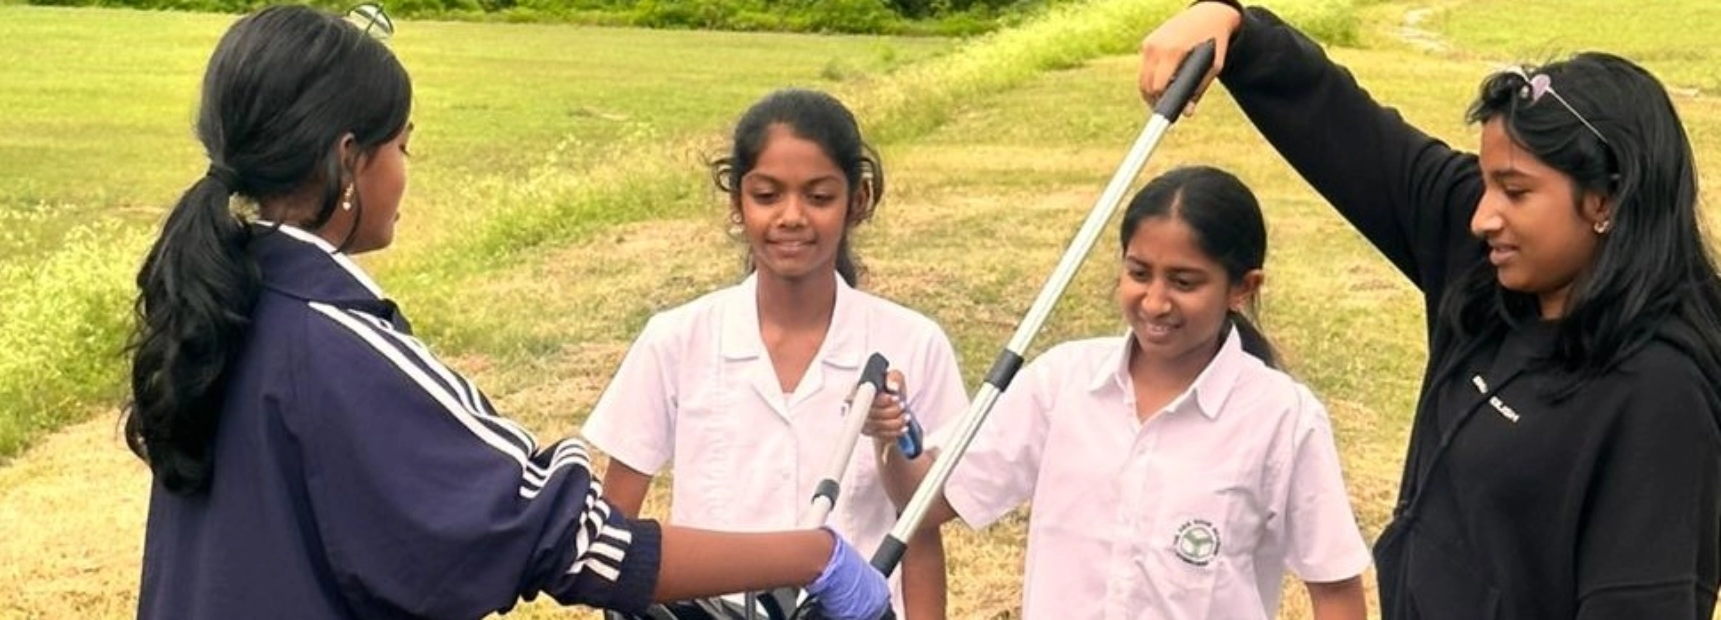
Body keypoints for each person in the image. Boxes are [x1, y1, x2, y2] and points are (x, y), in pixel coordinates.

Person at [123, 6, 890, 619]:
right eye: (403, 146)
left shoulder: (221, 313)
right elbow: (574, 540)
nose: (405, 171)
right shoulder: (338, 346)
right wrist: (813, 556)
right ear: (348, 160)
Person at [1138, 2, 1721, 618]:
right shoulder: (1487, 266)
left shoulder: (1662, 396)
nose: (1482, 215)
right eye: (1487, 182)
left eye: (1515, 191)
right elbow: (1348, 134)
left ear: (1606, 199)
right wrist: (1235, 28)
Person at [865, 166, 1370, 619]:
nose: (1154, 302)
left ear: (1242, 288)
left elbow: (1335, 590)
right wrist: (888, 433)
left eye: (1184, 282)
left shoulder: (1282, 416)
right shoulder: (1062, 382)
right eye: (1138, 273)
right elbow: (926, 504)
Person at [580, 87, 967, 620]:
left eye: (819, 196)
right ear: (737, 202)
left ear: (858, 201)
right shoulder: (677, 339)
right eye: (767, 195)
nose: (791, 216)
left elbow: (919, 528)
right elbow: (614, 526)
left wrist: (892, 439)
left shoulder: (913, 344)